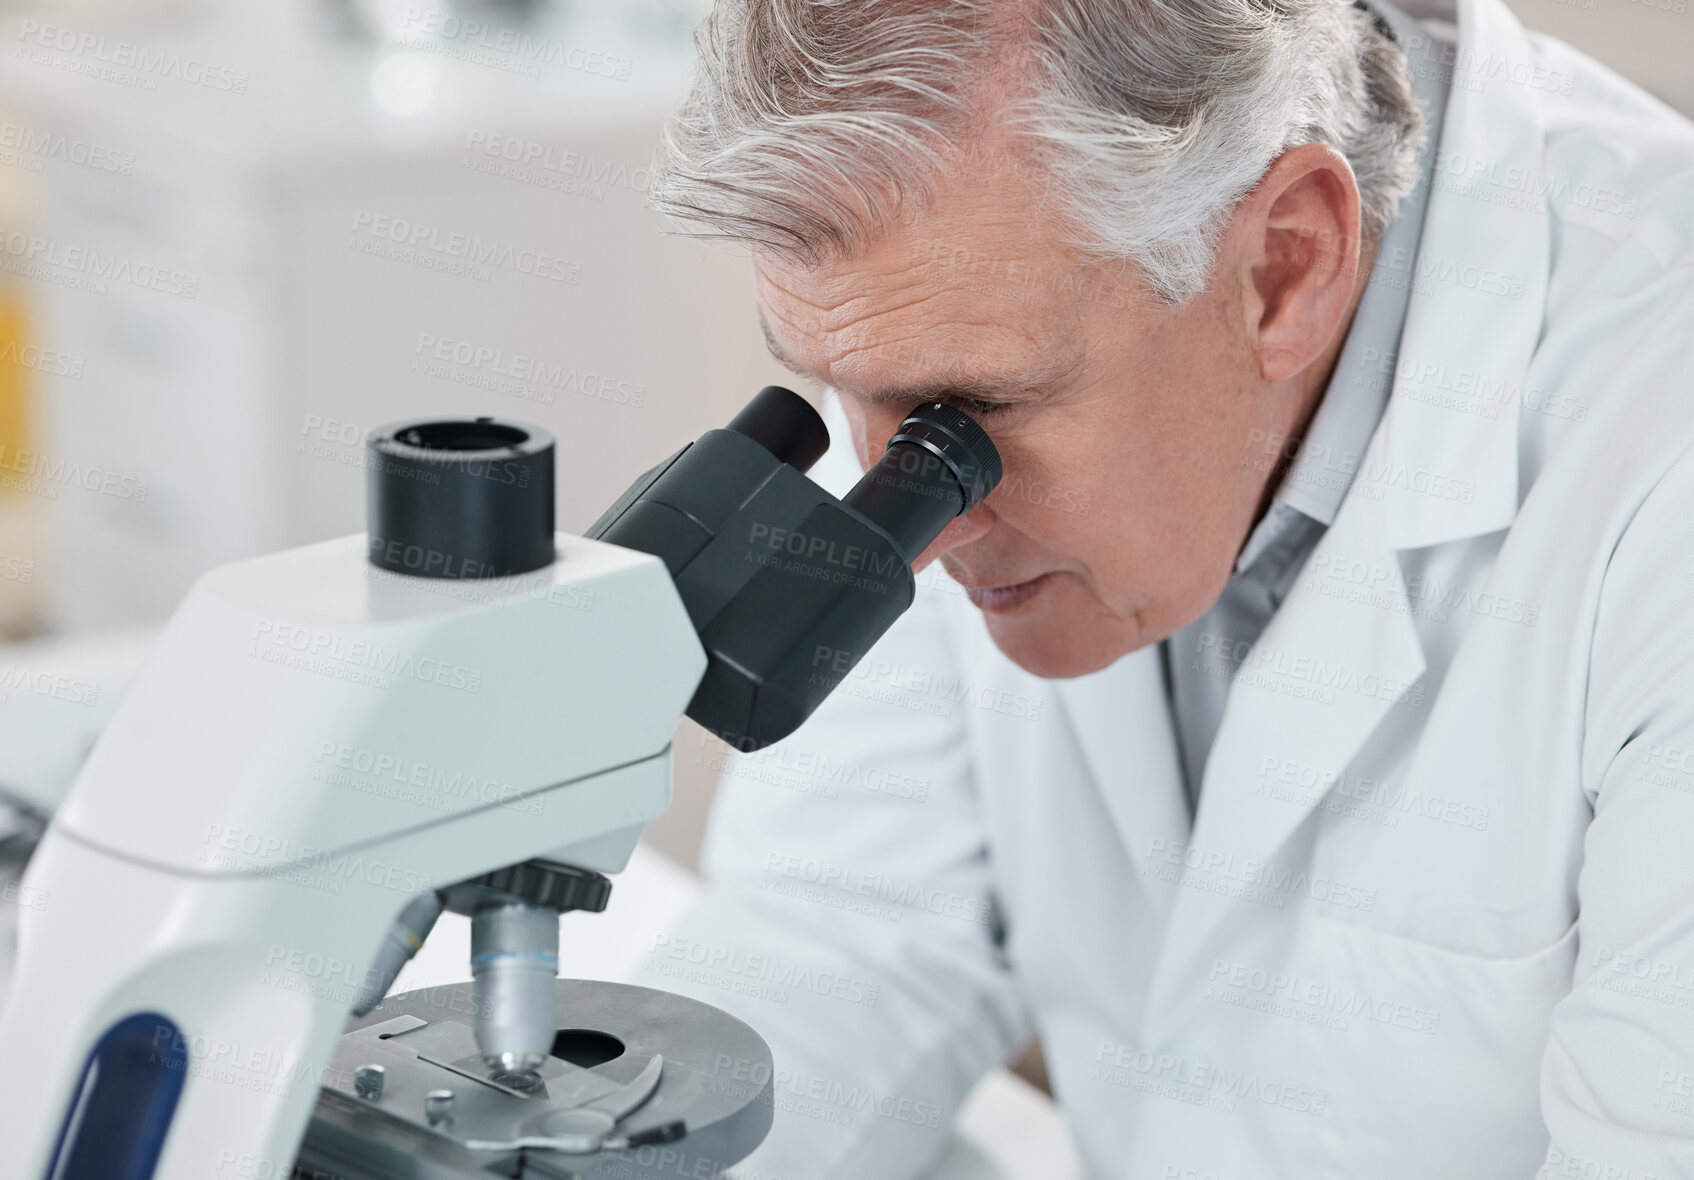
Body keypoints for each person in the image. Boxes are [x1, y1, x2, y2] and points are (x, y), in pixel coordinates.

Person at [630, 0, 1694, 1175]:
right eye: (842, 396)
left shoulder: (1654, 459)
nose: (913, 539)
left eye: (969, 420)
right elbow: (840, 938)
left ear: (1285, 265)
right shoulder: (989, 286)